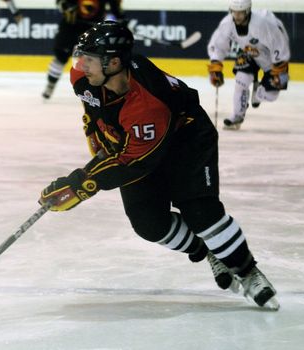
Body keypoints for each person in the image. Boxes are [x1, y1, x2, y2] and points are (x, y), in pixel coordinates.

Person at [38, 21, 279, 309]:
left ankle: (247, 271)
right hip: (138, 139)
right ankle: (209, 250)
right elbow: (93, 112)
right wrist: (96, 133)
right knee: (148, 223)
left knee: (201, 212)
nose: (80, 64)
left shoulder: (147, 103)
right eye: (82, 57)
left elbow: (135, 161)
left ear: (114, 62)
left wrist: (84, 184)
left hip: (185, 139)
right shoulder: (82, 76)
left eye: (89, 59)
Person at [207, 0, 290, 130]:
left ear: (248, 11)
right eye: (234, 12)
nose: (237, 16)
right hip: (249, 52)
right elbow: (218, 46)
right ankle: (237, 115)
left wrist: (279, 70)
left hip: (272, 59)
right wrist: (215, 67)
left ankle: (257, 94)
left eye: (240, 13)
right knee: (241, 79)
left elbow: (280, 45)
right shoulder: (227, 23)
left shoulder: (263, 24)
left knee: (272, 95)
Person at [42, 0, 124, 99]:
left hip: (93, 28)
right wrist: (65, 5)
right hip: (70, 27)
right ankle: (51, 84)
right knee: (61, 56)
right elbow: (60, 2)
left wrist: (121, 20)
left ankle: (97, 91)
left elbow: (115, 6)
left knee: (94, 59)